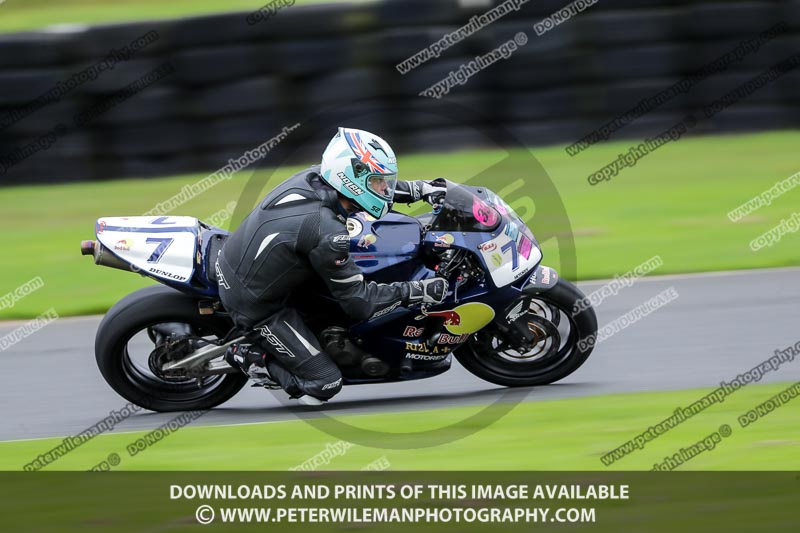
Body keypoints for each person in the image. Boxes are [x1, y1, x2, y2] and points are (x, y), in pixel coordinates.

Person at [215, 127, 448, 405]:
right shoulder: (328, 233)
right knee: (325, 383)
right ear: (352, 180)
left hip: (250, 262)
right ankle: (248, 355)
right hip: (256, 304)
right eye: (378, 182)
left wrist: (422, 189)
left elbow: (374, 190)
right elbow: (360, 304)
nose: (384, 188)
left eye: (384, 181)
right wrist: (417, 291)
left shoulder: (318, 177)